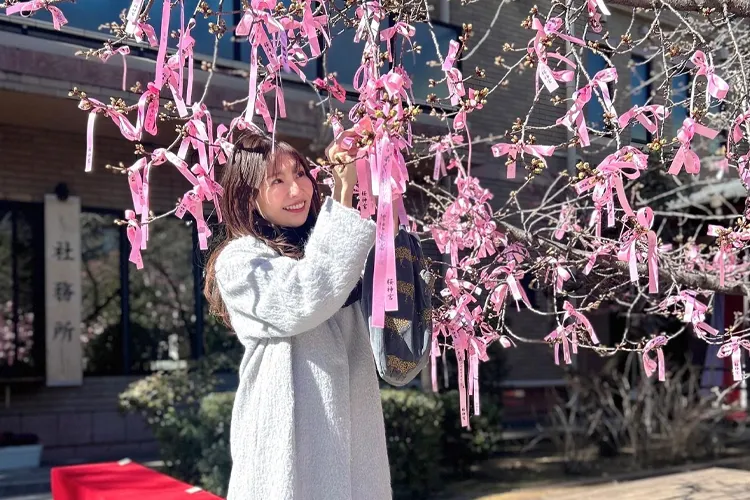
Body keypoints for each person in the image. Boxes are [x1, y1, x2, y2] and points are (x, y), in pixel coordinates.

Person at [204, 130, 393, 500]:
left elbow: (351, 289)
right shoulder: (241, 261)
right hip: (286, 449)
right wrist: (343, 191)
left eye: (301, 174)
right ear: (249, 195)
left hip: (352, 445)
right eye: (277, 180)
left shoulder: (332, 251)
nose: (297, 190)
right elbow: (310, 293)